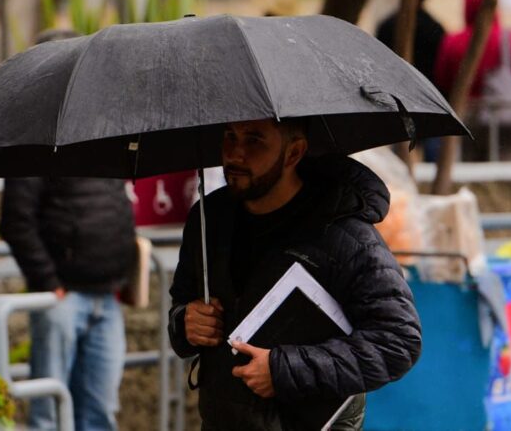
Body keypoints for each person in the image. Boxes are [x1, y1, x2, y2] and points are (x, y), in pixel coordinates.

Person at [167, 118, 422, 430]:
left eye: (254, 140)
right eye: (229, 137)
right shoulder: (208, 219)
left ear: (294, 152)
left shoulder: (345, 234)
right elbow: (181, 303)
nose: (235, 153)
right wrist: (186, 322)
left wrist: (284, 370)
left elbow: (397, 341)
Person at [0, 29, 137, 431]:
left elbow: (114, 204)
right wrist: (49, 282)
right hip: (62, 300)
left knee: (100, 412)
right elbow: (16, 221)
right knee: (49, 414)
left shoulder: (104, 131)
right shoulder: (32, 140)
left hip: (107, 298)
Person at [434, 0, 511, 162]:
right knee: (507, 172)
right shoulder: (509, 40)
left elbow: (442, 80)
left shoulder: (452, 42)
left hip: (465, 119)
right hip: (505, 119)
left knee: (469, 172)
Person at [375, 0, 448, 161]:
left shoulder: (387, 26)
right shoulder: (435, 29)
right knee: (432, 156)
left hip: (397, 106)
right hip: (430, 105)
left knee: (397, 157)